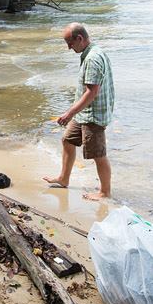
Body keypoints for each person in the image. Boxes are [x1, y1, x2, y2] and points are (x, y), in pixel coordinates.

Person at [42, 23, 115, 201]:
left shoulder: (92, 58)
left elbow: (92, 92)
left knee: (98, 154)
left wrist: (69, 113)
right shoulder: (92, 51)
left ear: (79, 38)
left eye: (70, 43)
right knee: (67, 140)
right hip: (84, 112)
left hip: (94, 115)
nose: (68, 48)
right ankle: (64, 178)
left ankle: (105, 192)